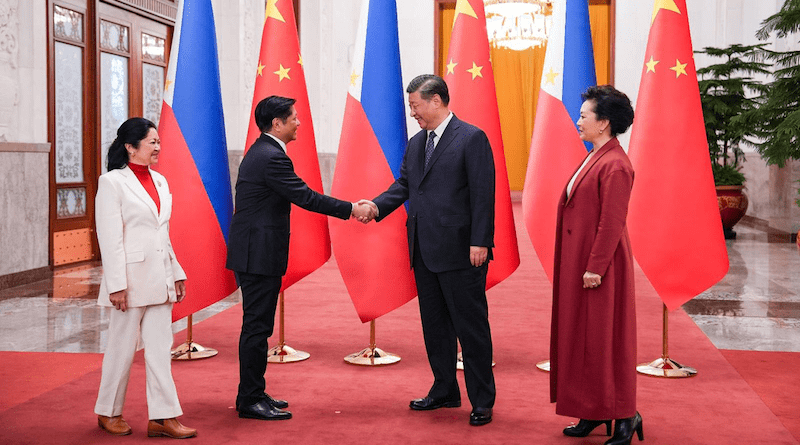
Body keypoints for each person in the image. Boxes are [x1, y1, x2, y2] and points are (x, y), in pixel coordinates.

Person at [226, 95, 374, 421]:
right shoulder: (271, 157)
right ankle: (250, 399)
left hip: (255, 251)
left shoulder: (264, 151)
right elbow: (305, 196)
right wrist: (352, 209)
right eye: (293, 117)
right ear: (276, 123)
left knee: (258, 326)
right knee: (256, 328)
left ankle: (253, 391)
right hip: (257, 254)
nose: (298, 122)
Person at [361, 74, 496, 426]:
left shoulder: (472, 138)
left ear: (437, 100)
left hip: (462, 251)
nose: (413, 114)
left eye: (416, 106)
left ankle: (482, 400)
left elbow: (484, 194)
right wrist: (376, 207)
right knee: (434, 326)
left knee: (471, 328)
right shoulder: (417, 142)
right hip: (423, 249)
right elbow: (405, 184)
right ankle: (444, 389)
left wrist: (480, 240)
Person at [94, 117, 196, 439]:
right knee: (121, 350)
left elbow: (162, 234)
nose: (158, 147)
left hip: (160, 278)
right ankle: (108, 411)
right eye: (152, 142)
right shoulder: (112, 182)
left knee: (160, 349)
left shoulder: (161, 181)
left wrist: (176, 272)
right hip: (130, 281)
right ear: (130, 147)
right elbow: (109, 239)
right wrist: (117, 286)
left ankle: (163, 417)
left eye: (158, 142)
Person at [550, 85, 642, 445]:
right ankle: (591, 408)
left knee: (606, 341)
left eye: (584, 115)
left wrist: (596, 267)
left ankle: (624, 415)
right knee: (582, 338)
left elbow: (612, 221)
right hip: (581, 263)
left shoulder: (616, 164)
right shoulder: (595, 156)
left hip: (600, 268)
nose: (578, 120)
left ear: (603, 123)